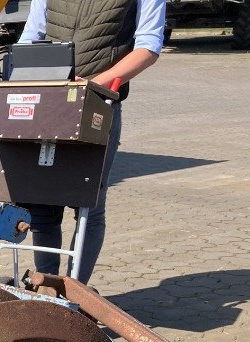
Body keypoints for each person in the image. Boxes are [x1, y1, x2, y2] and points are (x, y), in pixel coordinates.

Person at [17, 0, 166, 283]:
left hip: (98, 104)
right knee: (42, 204)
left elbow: (148, 48)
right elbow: (30, 38)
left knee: (88, 205)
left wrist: (92, 85)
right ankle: (47, 289)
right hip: (49, 100)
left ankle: (76, 291)